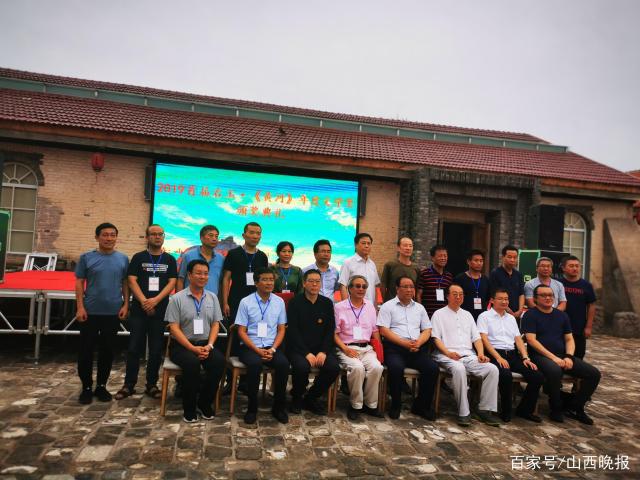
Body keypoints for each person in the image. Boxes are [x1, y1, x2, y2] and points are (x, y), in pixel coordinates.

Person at [522, 285, 601, 424]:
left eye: (550, 295)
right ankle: (556, 408)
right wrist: (553, 358)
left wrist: (568, 356)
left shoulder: (562, 315)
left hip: (562, 355)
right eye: (543, 295)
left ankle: (575, 407)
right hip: (539, 356)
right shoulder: (530, 315)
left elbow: (569, 339)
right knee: (554, 371)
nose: (548, 298)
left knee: (594, 374)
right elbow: (531, 340)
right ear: (535, 299)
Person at [116, 224, 177, 401]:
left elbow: (172, 282)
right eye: (153, 234)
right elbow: (131, 280)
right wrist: (144, 301)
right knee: (134, 348)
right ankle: (129, 385)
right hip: (139, 310)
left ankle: (151, 385)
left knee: (156, 350)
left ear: (163, 237)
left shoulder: (170, 259)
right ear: (147, 237)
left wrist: (155, 301)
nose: (157, 237)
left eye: (160, 234)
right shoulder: (138, 257)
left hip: (160, 310)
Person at [75, 223, 129, 404]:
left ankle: (101, 386)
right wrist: (80, 307)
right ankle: (86, 387)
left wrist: (126, 304)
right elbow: (79, 282)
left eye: (112, 235)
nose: (109, 238)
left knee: (108, 351)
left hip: (113, 312)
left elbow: (125, 283)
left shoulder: (123, 259)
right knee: (85, 351)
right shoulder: (87, 258)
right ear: (97, 237)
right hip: (90, 312)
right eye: (105, 235)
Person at [431, 284, 500, 427]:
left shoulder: (467, 315)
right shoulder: (438, 314)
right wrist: (448, 353)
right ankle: (463, 412)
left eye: (461, 294)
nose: (458, 297)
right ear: (447, 296)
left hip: (469, 356)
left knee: (492, 369)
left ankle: (484, 410)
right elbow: (435, 338)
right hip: (446, 355)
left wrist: (481, 354)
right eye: (455, 294)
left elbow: (477, 338)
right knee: (459, 369)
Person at [165, 259, 225, 422]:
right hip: (182, 346)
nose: (202, 277)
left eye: (205, 274)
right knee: (192, 364)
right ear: (189, 275)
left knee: (219, 362)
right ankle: (189, 408)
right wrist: (192, 348)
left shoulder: (212, 297)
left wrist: (210, 346)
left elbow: (215, 324)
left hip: (206, 344)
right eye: (198, 273)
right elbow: (174, 328)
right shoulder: (177, 298)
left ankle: (204, 403)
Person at [477, 288, 545, 423]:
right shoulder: (484, 316)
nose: (504, 302)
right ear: (492, 300)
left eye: (506, 299)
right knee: (505, 374)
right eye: (500, 299)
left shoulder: (511, 318)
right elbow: (484, 339)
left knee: (537, 376)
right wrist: (498, 357)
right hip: (494, 353)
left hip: (513, 355)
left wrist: (525, 357)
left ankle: (524, 410)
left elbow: (518, 339)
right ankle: (506, 411)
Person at [377, 276, 439, 420]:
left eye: (412, 286)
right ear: (397, 289)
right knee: (396, 368)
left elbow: (427, 329)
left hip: (416, 348)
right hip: (395, 348)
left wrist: (418, 343)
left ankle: (421, 406)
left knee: (432, 368)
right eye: (405, 286)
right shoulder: (388, 306)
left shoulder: (419, 308)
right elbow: (383, 330)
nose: (409, 290)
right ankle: (396, 405)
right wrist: (404, 343)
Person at [235, 268, 289, 424]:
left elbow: (281, 329)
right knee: (254, 364)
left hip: (271, 347)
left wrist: (273, 349)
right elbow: (241, 331)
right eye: (265, 279)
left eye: (271, 279)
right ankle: (252, 408)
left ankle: (278, 407)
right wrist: (257, 350)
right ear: (256, 283)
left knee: (283, 364)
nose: (269, 283)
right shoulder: (246, 302)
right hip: (250, 347)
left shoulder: (279, 302)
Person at [286, 269, 340, 415]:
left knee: (333, 368)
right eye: (311, 281)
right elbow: (293, 331)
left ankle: (311, 397)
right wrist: (306, 353)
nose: (315, 284)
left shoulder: (327, 303)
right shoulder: (295, 302)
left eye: (317, 281)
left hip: (320, 348)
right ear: (304, 283)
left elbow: (330, 330)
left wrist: (323, 351)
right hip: (299, 349)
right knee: (302, 367)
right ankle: (297, 397)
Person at [334, 275, 384, 420]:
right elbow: (334, 333)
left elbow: (375, 330)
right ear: (349, 289)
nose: (361, 289)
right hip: (346, 348)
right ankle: (356, 405)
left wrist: (379, 349)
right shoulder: (339, 307)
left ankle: (370, 404)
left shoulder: (370, 306)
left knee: (377, 367)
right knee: (357, 368)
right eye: (357, 286)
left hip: (366, 349)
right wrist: (345, 349)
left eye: (364, 286)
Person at [221, 222, 269, 320]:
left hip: (257, 301)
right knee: (235, 327)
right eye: (251, 233)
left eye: (258, 233)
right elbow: (226, 279)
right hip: (236, 300)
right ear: (244, 235)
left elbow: (265, 280)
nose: (255, 236)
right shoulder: (233, 254)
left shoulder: (262, 256)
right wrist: (225, 303)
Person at [560, 256, 596, 359]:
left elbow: (591, 305)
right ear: (563, 268)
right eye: (571, 266)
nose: (575, 268)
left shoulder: (586, 285)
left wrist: (588, 326)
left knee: (578, 355)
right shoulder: (558, 284)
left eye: (577, 266)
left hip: (579, 327)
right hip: (560, 326)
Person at [177, 225, 225, 295]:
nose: (214, 239)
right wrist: (179, 300)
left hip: (212, 300)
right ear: (201, 238)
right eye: (211, 235)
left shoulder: (220, 259)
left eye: (216, 236)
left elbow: (221, 283)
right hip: (190, 299)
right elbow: (181, 279)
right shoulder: (188, 256)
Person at [338, 233, 381, 306]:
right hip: (353, 307)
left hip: (369, 307)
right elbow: (343, 286)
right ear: (355, 245)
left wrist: (375, 307)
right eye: (363, 243)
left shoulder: (372, 264)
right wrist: (346, 307)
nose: (366, 246)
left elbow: (375, 287)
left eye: (369, 243)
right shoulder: (348, 263)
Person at [489, 245, 525, 319]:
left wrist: (520, 310)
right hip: (500, 313)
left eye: (515, 257)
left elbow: (521, 294)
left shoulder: (519, 275)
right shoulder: (495, 273)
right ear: (503, 257)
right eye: (509, 257)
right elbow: (494, 294)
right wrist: (509, 311)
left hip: (517, 314)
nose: (512, 260)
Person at [380, 237, 421, 302]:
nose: (408, 248)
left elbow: (417, 290)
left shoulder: (416, 268)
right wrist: (386, 302)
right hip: (392, 304)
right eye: (405, 245)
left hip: (410, 305)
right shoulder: (390, 265)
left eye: (410, 246)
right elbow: (383, 286)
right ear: (398, 248)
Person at [417, 245, 453, 318]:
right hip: (428, 315)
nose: (443, 258)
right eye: (440, 256)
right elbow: (418, 295)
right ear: (432, 258)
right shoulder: (424, 274)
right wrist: (421, 313)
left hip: (444, 316)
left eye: (445, 256)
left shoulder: (449, 276)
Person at [453, 249, 491, 321]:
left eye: (481, 261)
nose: (479, 263)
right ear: (468, 262)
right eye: (476, 260)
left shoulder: (485, 279)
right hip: (463, 317)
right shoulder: (460, 279)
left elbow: (488, 298)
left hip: (482, 318)